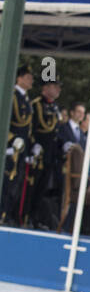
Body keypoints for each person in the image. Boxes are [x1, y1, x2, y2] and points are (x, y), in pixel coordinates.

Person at [4, 64, 36, 226]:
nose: (31, 81)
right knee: (8, 182)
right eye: (28, 78)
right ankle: (3, 213)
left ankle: (9, 214)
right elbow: (5, 120)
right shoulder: (12, 96)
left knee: (17, 184)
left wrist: (31, 148)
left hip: (22, 149)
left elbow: (27, 129)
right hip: (11, 148)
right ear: (19, 78)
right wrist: (9, 140)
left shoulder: (26, 99)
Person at [30, 76, 63, 230]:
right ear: (46, 87)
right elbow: (33, 128)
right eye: (55, 86)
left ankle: (35, 218)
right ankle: (26, 216)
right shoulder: (37, 105)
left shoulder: (55, 107)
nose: (58, 90)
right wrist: (33, 145)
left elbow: (55, 133)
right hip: (38, 153)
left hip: (50, 155)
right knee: (33, 186)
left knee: (42, 188)